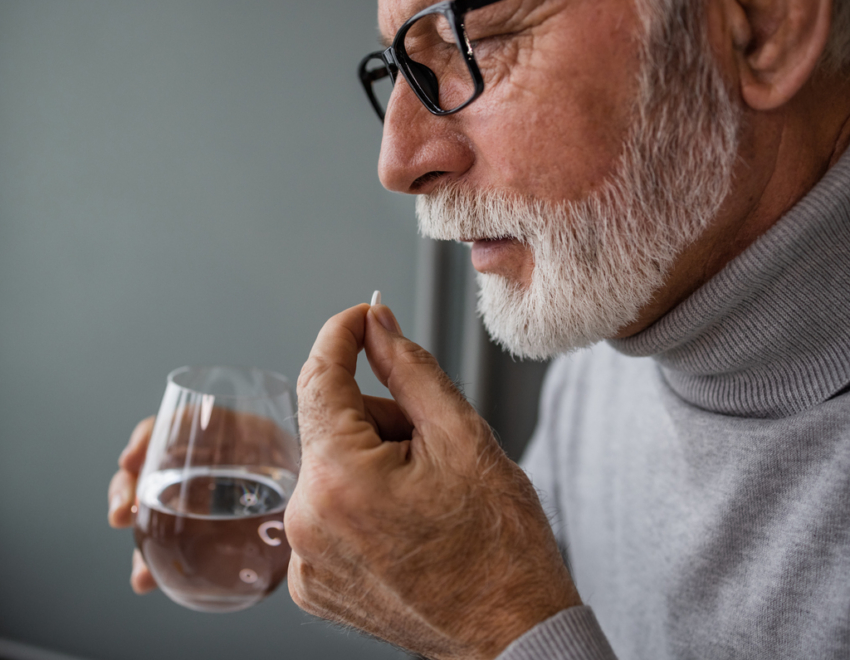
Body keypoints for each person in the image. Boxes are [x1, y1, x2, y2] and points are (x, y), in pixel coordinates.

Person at [109, 0, 850, 656]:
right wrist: (333, 500)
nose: (398, 162)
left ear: (762, 24)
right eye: (398, 64)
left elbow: (519, 608)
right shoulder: (619, 328)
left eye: (471, 38)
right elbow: (554, 583)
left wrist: (492, 632)